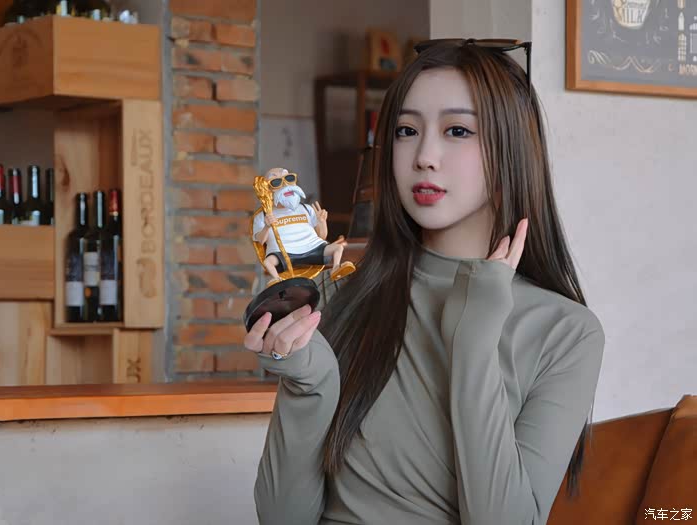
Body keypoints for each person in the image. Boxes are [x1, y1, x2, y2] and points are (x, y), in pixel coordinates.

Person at [244, 38, 605, 525]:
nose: (424, 156)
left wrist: (473, 338)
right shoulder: (339, 291)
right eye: (406, 130)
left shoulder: (566, 331)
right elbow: (282, 519)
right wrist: (309, 382)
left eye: (458, 130)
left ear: (512, 149)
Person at [252, 167, 353, 284]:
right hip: (285, 253)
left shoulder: (306, 209)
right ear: (267, 189)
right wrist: (267, 226)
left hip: (312, 248)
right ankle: (277, 280)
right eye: (276, 182)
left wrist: (322, 222)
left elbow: (322, 236)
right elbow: (261, 241)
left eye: (289, 178)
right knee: (268, 262)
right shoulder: (263, 215)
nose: (285, 185)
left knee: (338, 248)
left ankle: (336, 269)